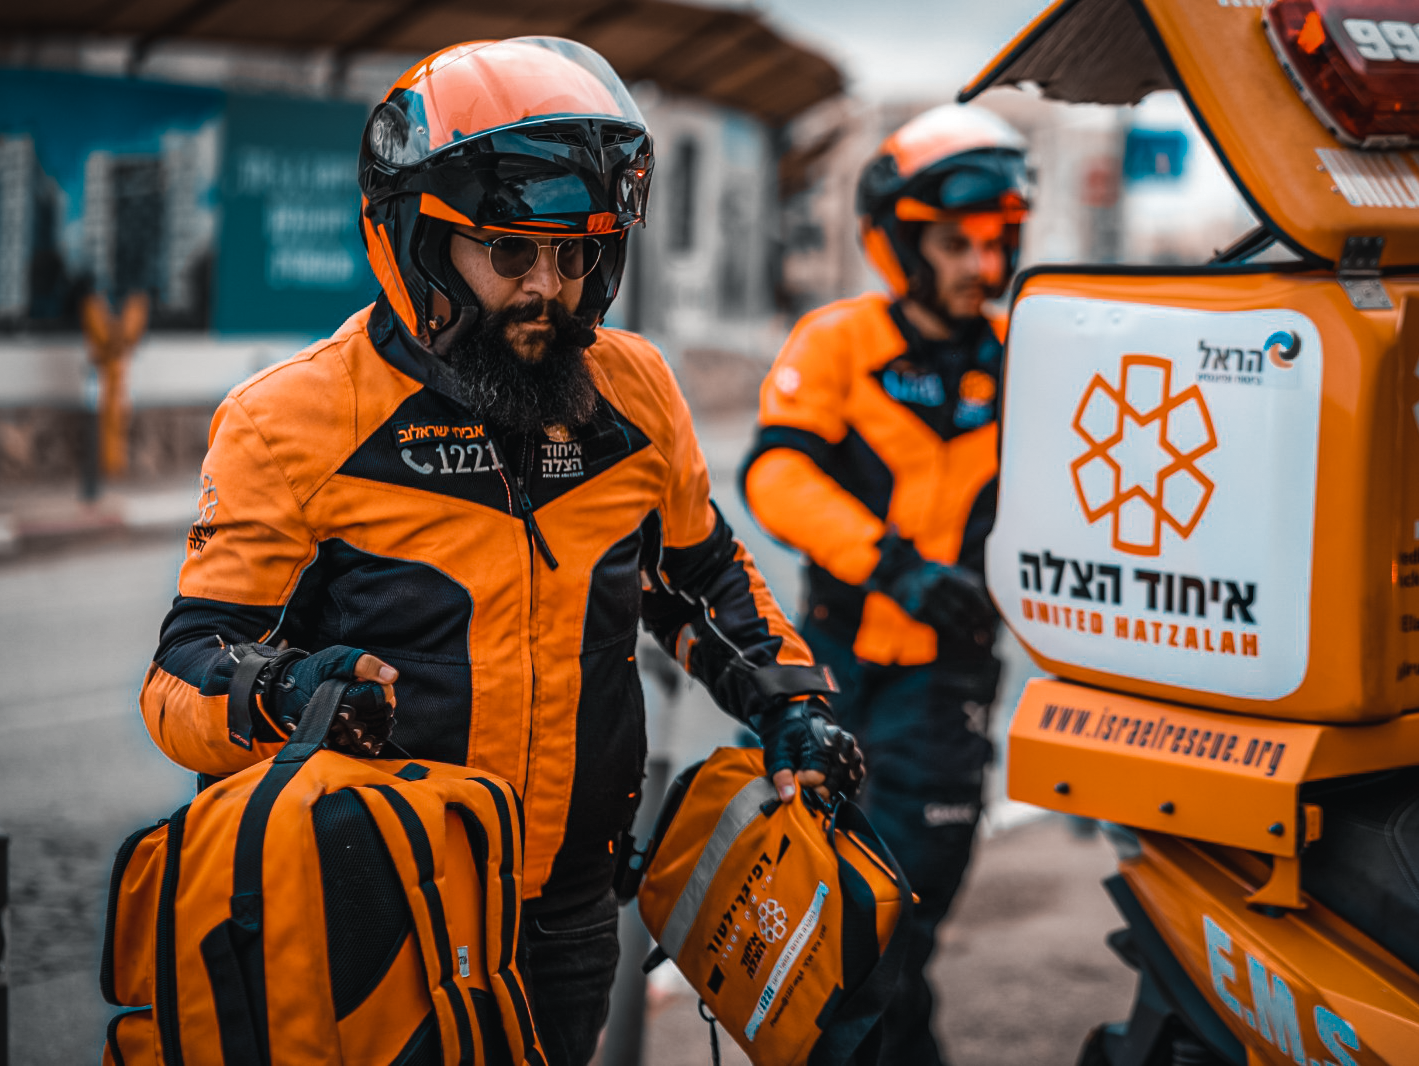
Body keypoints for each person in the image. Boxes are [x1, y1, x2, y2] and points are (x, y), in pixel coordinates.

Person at [138, 37, 860, 1065]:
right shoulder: (287, 420)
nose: (548, 290)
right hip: (365, 912)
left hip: (567, 914)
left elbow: (695, 582)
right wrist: (288, 690)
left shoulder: (634, 389)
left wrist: (794, 705)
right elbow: (178, 679)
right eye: (510, 251)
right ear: (415, 242)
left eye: (576, 254)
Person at [740, 103, 1031, 1066]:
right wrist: (894, 567)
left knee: (897, 923)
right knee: (820, 924)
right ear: (901, 242)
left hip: (946, 686)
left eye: (999, 244)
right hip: (830, 669)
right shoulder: (838, 343)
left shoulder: (1033, 363)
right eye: (957, 243)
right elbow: (773, 476)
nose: (982, 268)